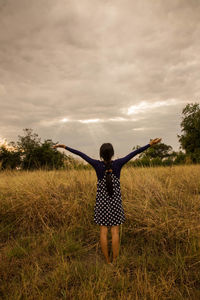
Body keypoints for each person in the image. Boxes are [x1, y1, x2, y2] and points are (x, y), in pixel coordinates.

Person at [53, 137, 161, 264]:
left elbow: (80, 154)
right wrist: (149, 144)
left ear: (101, 154)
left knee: (103, 231)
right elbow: (134, 153)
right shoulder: (118, 163)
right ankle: (115, 261)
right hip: (115, 203)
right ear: (112, 153)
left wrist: (65, 147)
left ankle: (107, 261)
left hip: (101, 205)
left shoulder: (97, 165)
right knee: (115, 231)